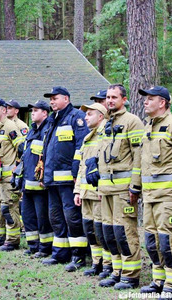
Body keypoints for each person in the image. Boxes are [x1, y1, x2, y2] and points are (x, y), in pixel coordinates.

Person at [90, 84, 143, 289]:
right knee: (109, 233)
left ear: (124, 99)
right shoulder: (105, 124)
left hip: (123, 191)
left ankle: (131, 275)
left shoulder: (132, 122)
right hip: (106, 190)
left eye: (114, 97)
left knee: (125, 232)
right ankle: (117, 271)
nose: (110, 100)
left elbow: (138, 156)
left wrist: (135, 187)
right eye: (108, 97)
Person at [137, 86, 172, 296]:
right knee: (152, 241)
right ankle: (159, 280)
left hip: (170, 197)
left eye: (150, 99)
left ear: (163, 102)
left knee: (170, 241)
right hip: (150, 197)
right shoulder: (149, 126)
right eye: (145, 99)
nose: (145, 102)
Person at [42, 86, 89, 271]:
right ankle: (60, 253)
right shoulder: (52, 120)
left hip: (69, 181)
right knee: (56, 218)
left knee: (72, 218)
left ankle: (78, 256)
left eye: (55, 98)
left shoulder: (76, 118)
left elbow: (81, 146)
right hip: (52, 180)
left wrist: (76, 173)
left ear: (66, 99)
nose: (52, 101)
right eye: (50, 99)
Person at [74, 103, 111, 277]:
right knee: (90, 230)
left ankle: (107, 265)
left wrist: (104, 190)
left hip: (99, 193)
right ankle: (96, 263)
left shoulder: (107, 135)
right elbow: (82, 167)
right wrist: (77, 191)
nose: (85, 117)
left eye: (89, 114)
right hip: (86, 193)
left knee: (101, 229)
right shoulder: (88, 137)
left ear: (101, 116)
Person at [0, 98, 24, 251]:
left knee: (8, 208)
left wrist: (17, 171)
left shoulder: (10, 127)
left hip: (8, 177)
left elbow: (21, 148)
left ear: (3, 110)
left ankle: (13, 240)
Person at [20, 100, 54, 257]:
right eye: (31, 110)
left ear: (45, 113)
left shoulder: (48, 130)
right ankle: (33, 245)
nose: (32, 113)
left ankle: (45, 248)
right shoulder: (32, 131)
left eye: (36, 110)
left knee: (43, 218)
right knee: (28, 216)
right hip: (27, 183)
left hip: (41, 185)